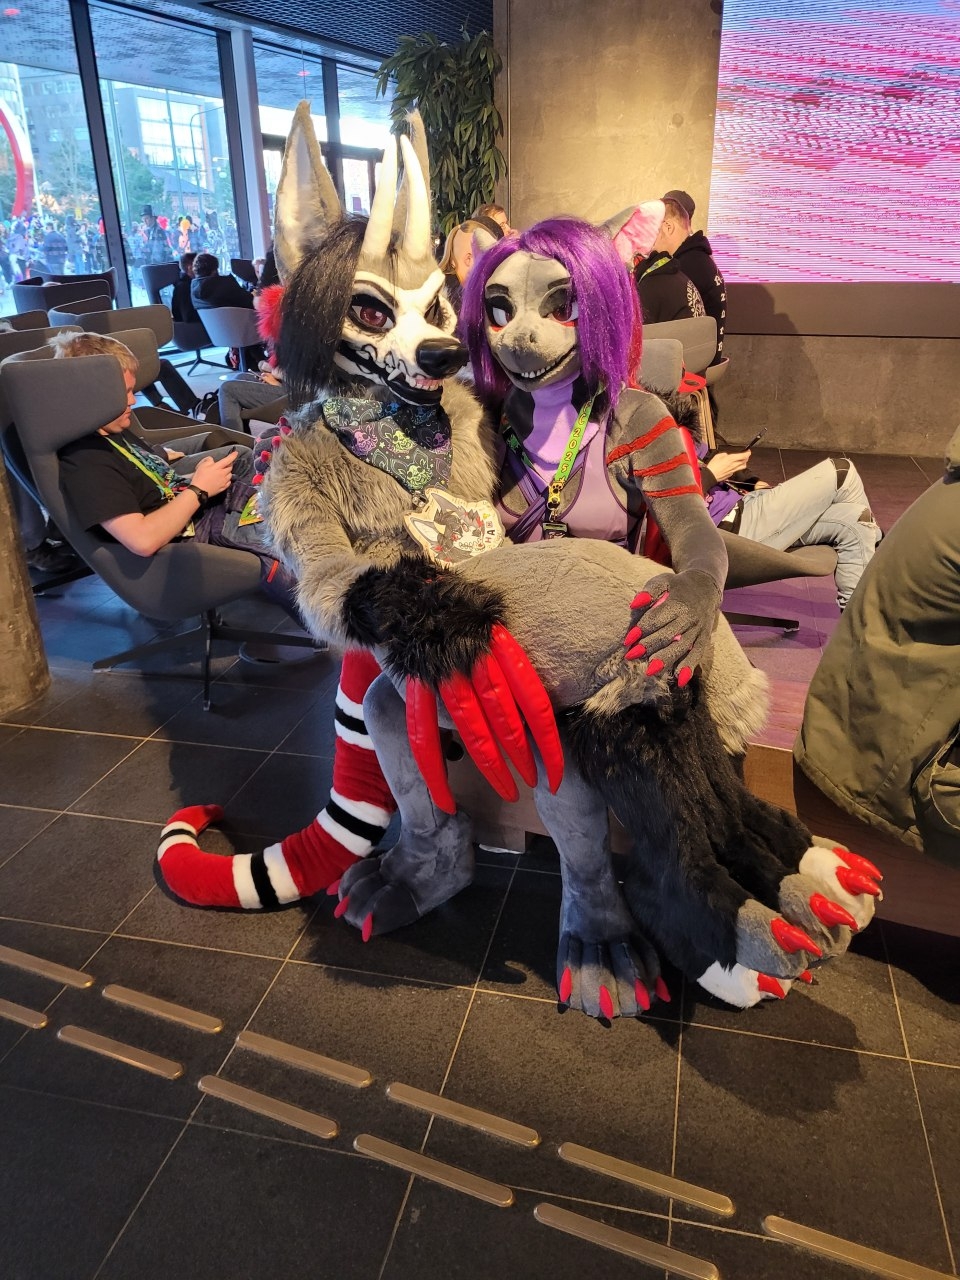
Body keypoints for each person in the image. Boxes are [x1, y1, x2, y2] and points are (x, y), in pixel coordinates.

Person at [796, 427, 960, 859]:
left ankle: (853, 608)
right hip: (890, 762)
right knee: (844, 483)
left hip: (856, 720)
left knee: (849, 499)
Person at [54, 333, 301, 619]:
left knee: (284, 487)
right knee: (297, 535)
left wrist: (168, 462)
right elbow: (143, 540)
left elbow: (141, 476)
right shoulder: (88, 460)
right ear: (92, 396)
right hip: (192, 536)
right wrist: (199, 490)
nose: (133, 400)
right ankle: (330, 622)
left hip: (201, 511)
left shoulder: (108, 432)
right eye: (125, 393)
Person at [696, 442, 881, 610]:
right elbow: (678, 509)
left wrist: (750, 481)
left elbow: (707, 456)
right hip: (728, 531)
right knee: (842, 471)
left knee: (858, 520)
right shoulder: (674, 439)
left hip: (744, 504)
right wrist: (710, 475)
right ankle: (885, 568)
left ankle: (858, 628)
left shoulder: (683, 432)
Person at [657, 189, 727, 364]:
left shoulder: (687, 266)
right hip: (704, 359)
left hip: (694, 366)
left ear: (668, 226)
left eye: (653, 229)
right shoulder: (699, 258)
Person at [171, 252, 201, 324]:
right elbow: (189, 316)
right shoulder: (184, 287)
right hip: (192, 328)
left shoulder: (189, 285)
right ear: (190, 268)